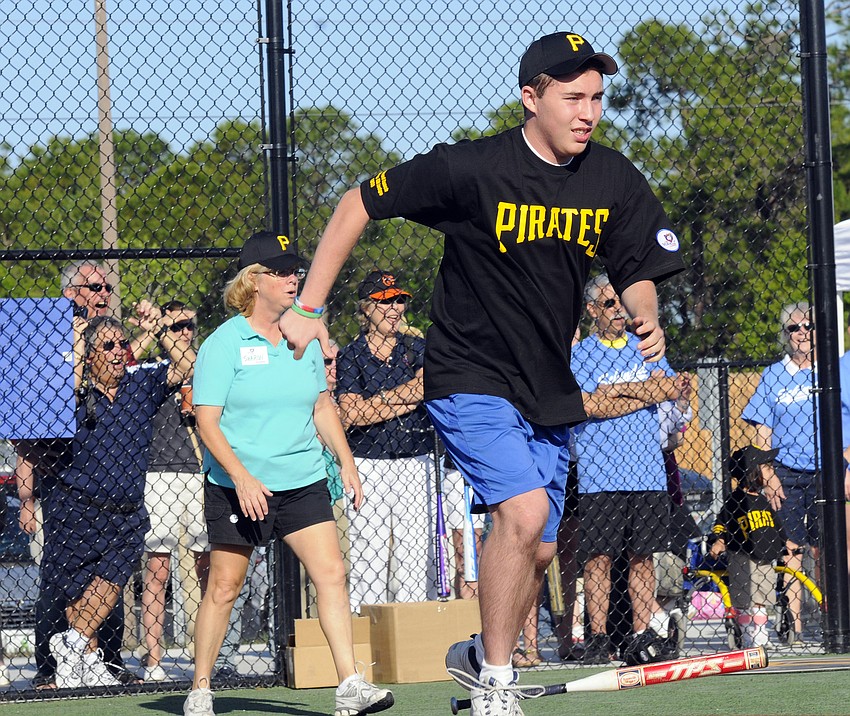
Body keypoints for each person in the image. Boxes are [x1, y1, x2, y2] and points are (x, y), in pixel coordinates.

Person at [278, 31, 683, 715]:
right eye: (572, 97)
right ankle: (497, 681)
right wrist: (308, 306)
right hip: (468, 371)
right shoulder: (470, 169)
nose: (588, 111)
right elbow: (356, 204)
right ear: (532, 97)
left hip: (546, 385)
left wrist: (645, 312)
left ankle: (474, 654)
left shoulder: (612, 178)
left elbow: (636, 264)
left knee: (541, 547)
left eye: (597, 98)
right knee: (520, 514)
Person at [183, 232, 393, 716]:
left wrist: (346, 461)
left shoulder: (306, 336)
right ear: (252, 282)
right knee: (223, 588)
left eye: (294, 269)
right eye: (280, 271)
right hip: (240, 486)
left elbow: (322, 405)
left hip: (302, 480)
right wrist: (241, 477)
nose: (293, 277)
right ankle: (200, 688)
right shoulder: (225, 343)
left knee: (332, 574)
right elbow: (206, 420)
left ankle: (350, 685)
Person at [44, 314, 193, 689]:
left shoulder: (140, 383)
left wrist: (160, 330)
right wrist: (78, 343)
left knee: (111, 577)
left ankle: (72, 643)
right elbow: (63, 392)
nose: (117, 352)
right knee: (78, 588)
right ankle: (86, 658)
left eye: (122, 344)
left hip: (127, 510)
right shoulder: (74, 391)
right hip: (77, 505)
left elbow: (189, 366)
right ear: (90, 355)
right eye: (107, 346)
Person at [571, 275, 689, 665]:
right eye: (608, 305)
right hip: (598, 473)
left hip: (647, 472)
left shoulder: (646, 347)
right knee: (597, 559)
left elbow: (671, 390)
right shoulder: (582, 355)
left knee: (643, 557)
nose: (619, 311)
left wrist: (619, 394)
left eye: (621, 303)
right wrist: (647, 391)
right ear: (592, 311)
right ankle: (599, 637)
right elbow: (589, 404)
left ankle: (642, 633)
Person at [335, 270, 436, 610]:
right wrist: (402, 397)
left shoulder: (416, 347)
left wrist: (374, 401)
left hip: (415, 459)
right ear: (365, 309)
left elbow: (424, 390)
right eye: (384, 302)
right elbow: (350, 415)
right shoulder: (351, 355)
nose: (394, 308)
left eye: (399, 301)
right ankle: (366, 641)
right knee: (368, 560)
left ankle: (412, 641)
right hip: (367, 464)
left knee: (414, 557)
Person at [135, 300, 206, 682]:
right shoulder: (151, 368)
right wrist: (154, 331)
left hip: (198, 470)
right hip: (159, 473)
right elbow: (130, 359)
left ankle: (208, 652)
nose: (184, 333)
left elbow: (191, 365)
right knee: (158, 569)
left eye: (188, 326)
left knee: (206, 563)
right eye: (176, 326)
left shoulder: (202, 360)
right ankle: (153, 659)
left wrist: (169, 333)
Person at [741, 303, 819, 638]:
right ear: (785, 335)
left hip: (826, 469)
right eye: (794, 328)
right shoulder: (774, 375)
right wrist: (767, 475)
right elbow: (762, 432)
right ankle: (796, 627)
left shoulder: (829, 371)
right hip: (785, 471)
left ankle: (834, 621)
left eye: (808, 326)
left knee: (828, 545)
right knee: (792, 547)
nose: (802, 333)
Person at [708, 447, 786, 648]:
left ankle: (760, 635)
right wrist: (719, 540)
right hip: (742, 556)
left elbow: (776, 525)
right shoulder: (735, 500)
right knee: (744, 600)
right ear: (753, 472)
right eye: (767, 468)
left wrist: (786, 543)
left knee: (761, 599)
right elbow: (721, 522)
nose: (771, 472)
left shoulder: (762, 500)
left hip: (766, 557)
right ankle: (750, 637)